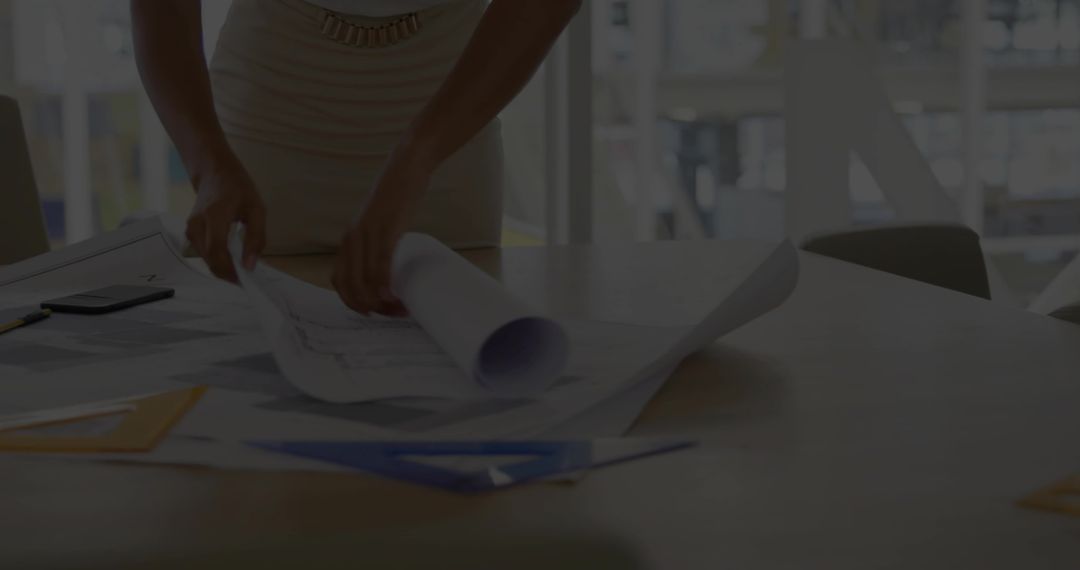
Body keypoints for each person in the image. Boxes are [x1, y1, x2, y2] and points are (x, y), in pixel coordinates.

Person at [131, 0, 580, 315]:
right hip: (270, 101)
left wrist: (416, 159)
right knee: (246, 350)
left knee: (447, 352)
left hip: (449, 102)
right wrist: (209, 165)